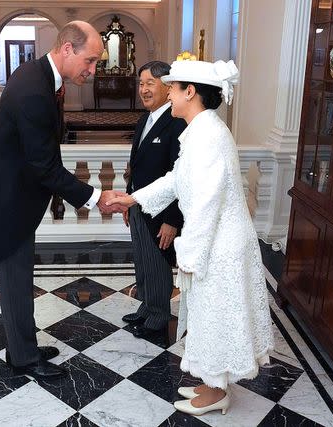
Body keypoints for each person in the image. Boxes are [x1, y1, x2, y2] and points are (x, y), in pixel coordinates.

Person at [0, 21, 124, 380]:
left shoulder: (39, 76)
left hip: (11, 192)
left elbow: (43, 155)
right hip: (5, 200)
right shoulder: (35, 89)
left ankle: (24, 347)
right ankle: (22, 360)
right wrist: (96, 197)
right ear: (67, 49)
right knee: (16, 282)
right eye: (91, 61)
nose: (93, 71)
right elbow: (45, 166)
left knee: (19, 278)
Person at [107, 59, 274, 415]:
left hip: (218, 244)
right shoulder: (198, 129)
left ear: (190, 92)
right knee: (205, 314)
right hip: (213, 240)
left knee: (214, 315)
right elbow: (176, 180)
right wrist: (133, 197)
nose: (168, 92)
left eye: (173, 87)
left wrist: (190, 255)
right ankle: (211, 382)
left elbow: (205, 204)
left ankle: (217, 393)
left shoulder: (208, 135)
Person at [121, 61, 186, 339]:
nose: (143, 89)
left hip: (162, 211)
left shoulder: (176, 122)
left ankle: (159, 316)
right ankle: (146, 308)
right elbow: (135, 165)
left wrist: (173, 220)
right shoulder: (143, 119)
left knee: (158, 262)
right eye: (141, 83)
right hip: (139, 204)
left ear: (167, 86)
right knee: (142, 260)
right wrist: (129, 198)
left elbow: (180, 176)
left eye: (150, 83)